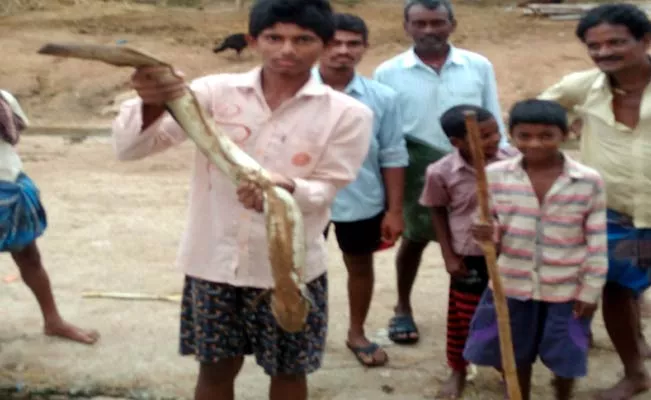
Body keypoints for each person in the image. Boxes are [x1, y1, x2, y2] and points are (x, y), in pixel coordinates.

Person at [110, 0, 373, 399]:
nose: (287, 49)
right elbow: (130, 149)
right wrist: (152, 101)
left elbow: (327, 187)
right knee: (216, 370)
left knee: (289, 374)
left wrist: (287, 190)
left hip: (290, 271)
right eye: (274, 38)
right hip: (214, 264)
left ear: (322, 44)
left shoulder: (348, 113)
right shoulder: (211, 92)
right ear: (253, 41)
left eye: (303, 39)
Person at [372, 0, 507, 344]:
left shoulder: (477, 65)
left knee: (476, 241)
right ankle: (402, 307)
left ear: (452, 24)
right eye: (420, 23)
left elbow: (492, 113)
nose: (429, 30)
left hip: (474, 165)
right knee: (414, 239)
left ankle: (475, 313)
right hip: (417, 166)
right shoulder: (389, 71)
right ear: (407, 27)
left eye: (437, 22)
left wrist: (503, 162)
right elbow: (385, 129)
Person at [538, 3, 651, 398]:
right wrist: (556, 133)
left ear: (646, 41)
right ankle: (636, 372)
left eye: (616, 42)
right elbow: (534, 116)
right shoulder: (582, 87)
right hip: (616, 216)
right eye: (595, 46)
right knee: (617, 292)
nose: (604, 53)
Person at [463, 99, 607, 400]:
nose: (535, 143)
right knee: (514, 351)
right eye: (524, 136)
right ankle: (518, 394)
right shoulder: (494, 176)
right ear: (511, 136)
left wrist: (590, 291)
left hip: (567, 287)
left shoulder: (588, 181)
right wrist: (487, 234)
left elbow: (596, 240)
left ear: (565, 134)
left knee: (567, 353)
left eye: (546, 135)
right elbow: (494, 230)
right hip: (513, 284)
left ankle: (562, 394)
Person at [314, 13, 408, 368]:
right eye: (334, 43)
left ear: (365, 48)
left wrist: (395, 210)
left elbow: (393, 152)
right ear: (320, 45)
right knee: (300, 266)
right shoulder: (293, 90)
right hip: (302, 200)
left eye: (353, 44)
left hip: (361, 198)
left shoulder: (381, 97)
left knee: (360, 264)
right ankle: (301, 332)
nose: (343, 51)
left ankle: (356, 332)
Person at [419, 104, 517, 398]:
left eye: (495, 133)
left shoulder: (513, 160)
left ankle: (506, 369)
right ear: (456, 143)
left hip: (510, 251)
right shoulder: (441, 172)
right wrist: (448, 255)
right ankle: (458, 369)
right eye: (483, 136)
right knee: (465, 316)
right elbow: (436, 210)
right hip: (469, 254)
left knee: (508, 313)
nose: (493, 141)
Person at [0, 90, 100, 345]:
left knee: (30, 258)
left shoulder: (4, 98)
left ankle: (53, 320)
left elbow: (14, 137)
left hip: (10, 186)